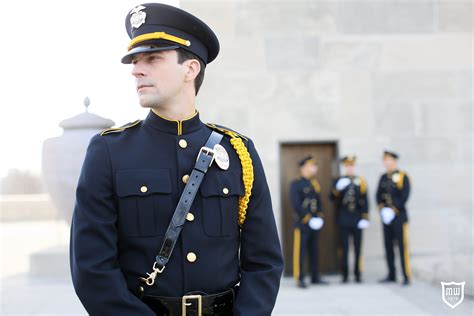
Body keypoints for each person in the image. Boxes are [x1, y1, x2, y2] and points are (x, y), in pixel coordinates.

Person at [69, 3, 283, 315]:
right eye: (135, 61)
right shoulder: (108, 151)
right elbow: (92, 270)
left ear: (191, 68)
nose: (137, 69)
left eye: (153, 58)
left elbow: (264, 261)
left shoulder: (239, 152)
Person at [330, 155, 369, 283]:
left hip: (357, 218)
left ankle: (358, 273)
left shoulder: (361, 180)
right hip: (344, 218)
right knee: (344, 248)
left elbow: (365, 200)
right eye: (347, 166)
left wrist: (365, 217)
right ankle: (345, 274)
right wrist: (338, 189)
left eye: (351, 166)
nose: (349, 168)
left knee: (358, 247)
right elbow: (332, 198)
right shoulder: (339, 181)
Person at [290, 155, 328, 288]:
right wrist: (308, 218)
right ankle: (299, 278)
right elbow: (296, 204)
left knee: (314, 250)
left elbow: (318, 202)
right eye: (311, 166)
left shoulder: (314, 183)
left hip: (314, 223)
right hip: (303, 223)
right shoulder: (296, 183)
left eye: (314, 166)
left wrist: (319, 216)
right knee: (300, 251)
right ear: (303, 168)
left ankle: (315, 276)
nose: (313, 169)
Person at [376, 150, 412, 285]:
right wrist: (383, 209)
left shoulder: (403, 176)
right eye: (385, 161)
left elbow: (405, 195)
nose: (387, 163)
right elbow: (378, 195)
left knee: (402, 247)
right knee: (388, 246)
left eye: (390, 160)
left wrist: (393, 209)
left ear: (395, 161)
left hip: (399, 217)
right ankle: (391, 274)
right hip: (386, 217)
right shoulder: (383, 177)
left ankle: (406, 275)